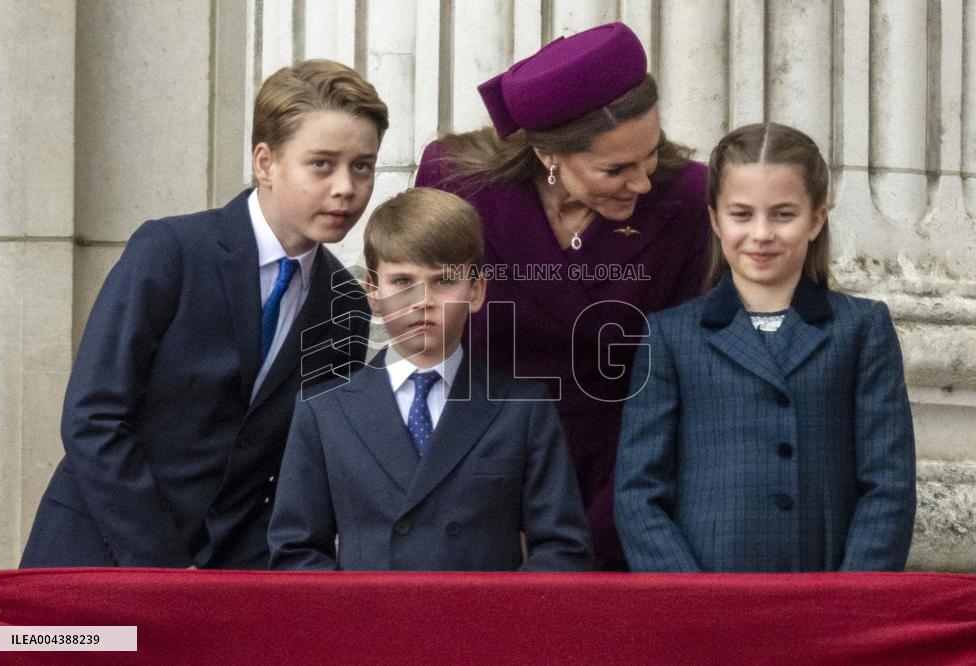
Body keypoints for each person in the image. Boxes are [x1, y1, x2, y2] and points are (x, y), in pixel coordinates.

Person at [20, 60, 388, 569]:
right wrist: (165, 566)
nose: (346, 187)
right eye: (322, 164)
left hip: (232, 579)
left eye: (363, 166)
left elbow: (300, 460)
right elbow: (93, 417)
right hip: (97, 554)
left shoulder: (344, 303)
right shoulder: (171, 250)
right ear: (265, 162)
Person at [414, 22, 709, 568]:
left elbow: (683, 379)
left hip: (626, 486)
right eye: (615, 169)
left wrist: (601, 522)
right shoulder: (456, 183)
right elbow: (428, 354)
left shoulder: (688, 198)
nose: (642, 182)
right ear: (549, 154)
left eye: (651, 154)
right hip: (477, 483)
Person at [614, 122, 917, 572]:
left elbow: (888, 483)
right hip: (708, 596)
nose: (761, 234)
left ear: (816, 219)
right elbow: (639, 491)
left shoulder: (862, 329)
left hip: (826, 595)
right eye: (741, 214)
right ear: (715, 219)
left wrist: (852, 599)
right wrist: (687, 598)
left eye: (783, 214)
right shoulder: (669, 336)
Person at [268, 187, 593, 571]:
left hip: (484, 625)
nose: (423, 299)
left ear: (476, 290)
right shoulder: (324, 411)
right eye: (403, 281)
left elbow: (563, 549)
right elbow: (295, 552)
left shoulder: (522, 407)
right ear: (372, 290)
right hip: (367, 627)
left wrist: (501, 623)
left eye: (444, 280)